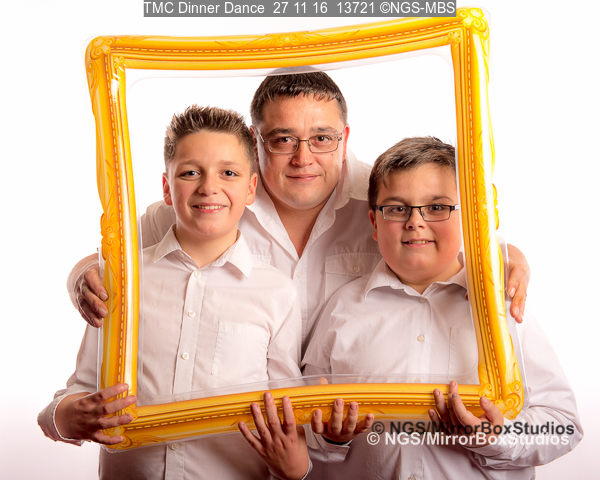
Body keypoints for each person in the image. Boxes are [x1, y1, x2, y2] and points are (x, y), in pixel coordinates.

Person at [67, 71, 532, 346]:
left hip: (352, 438)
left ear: (344, 138)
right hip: (244, 439)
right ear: (256, 140)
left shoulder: (387, 201)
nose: (303, 158)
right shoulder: (216, 199)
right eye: (283, 139)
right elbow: (117, 256)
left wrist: (509, 258)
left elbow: (451, 248)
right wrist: (83, 276)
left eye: (322, 138)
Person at [38, 106, 305, 479]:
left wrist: (298, 466)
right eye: (190, 173)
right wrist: (66, 418)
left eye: (228, 173)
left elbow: (287, 416)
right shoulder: (122, 282)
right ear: (166, 188)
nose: (209, 187)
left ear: (250, 188)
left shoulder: (276, 293)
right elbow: (77, 391)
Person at [300, 137, 582, 479]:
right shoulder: (341, 311)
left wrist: (496, 438)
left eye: (436, 207)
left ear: (467, 218)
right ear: (374, 223)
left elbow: (564, 425)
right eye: (397, 208)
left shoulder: (503, 309)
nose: (415, 221)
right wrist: (330, 436)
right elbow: (305, 422)